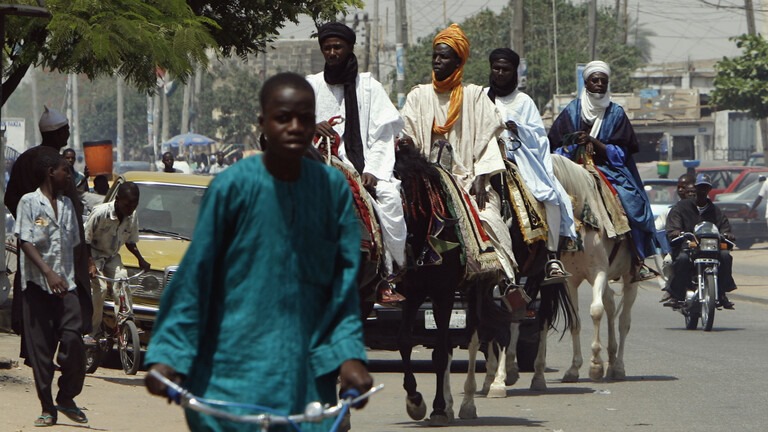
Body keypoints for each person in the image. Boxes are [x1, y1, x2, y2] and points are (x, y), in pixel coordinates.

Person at [144, 72, 373, 432]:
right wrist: (168, 355)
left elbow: (341, 290)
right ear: (262, 123)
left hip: (305, 385)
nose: (295, 127)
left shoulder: (333, 192)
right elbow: (195, 277)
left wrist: (348, 356)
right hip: (229, 382)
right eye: (283, 117)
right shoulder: (232, 188)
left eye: (305, 117)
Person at [399, 23, 516, 281]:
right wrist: (405, 143)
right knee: (397, 219)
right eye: (435, 56)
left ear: (458, 61)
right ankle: (391, 274)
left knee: (489, 219)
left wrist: (482, 179)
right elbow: (406, 131)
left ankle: (503, 281)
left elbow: (488, 141)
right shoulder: (418, 96)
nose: (437, 61)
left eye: (444, 56)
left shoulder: (474, 97)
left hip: (467, 180)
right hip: (426, 182)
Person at [306, 22, 408, 300]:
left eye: (337, 47)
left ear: (349, 48)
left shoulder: (369, 87)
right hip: (317, 162)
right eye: (326, 48)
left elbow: (383, 135)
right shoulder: (311, 85)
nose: (332, 52)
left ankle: (389, 274)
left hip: (360, 167)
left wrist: (373, 171)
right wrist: (311, 126)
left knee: (389, 200)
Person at [548, 60, 658, 282]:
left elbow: (622, 154)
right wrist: (574, 144)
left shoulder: (616, 113)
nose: (598, 84)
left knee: (633, 204)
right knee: (545, 200)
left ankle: (637, 259)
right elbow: (554, 146)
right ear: (586, 83)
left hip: (607, 170)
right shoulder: (571, 111)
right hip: (573, 168)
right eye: (594, 80)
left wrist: (595, 142)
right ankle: (548, 259)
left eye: (603, 81)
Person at [5, 106, 93, 367]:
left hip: (33, 244)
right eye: (65, 129)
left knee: (34, 296)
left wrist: (34, 225)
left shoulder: (27, 158)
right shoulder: (55, 164)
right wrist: (44, 223)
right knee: (62, 297)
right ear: (56, 132)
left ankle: (36, 353)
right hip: (58, 248)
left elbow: (12, 199)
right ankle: (54, 354)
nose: (67, 133)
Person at [485, 47, 577, 283]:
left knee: (551, 197)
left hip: (518, 160)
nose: (500, 73)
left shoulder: (523, 101)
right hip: (484, 161)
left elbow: (539, 137)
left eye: (506, 69)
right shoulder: (480, 97)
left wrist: (518, 129)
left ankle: (551, 256)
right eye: (496, 68)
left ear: (514, 72)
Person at [14, 152, 88, 426]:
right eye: (65, 171)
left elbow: (75, 245)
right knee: (41, 355)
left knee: (74, 342)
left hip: (66, 287)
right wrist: (48, 272)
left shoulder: (69, 205)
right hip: (37, 287)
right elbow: (25, 240)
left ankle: (67, 396)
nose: (69, 176)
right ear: (50, 173)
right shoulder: (29, 203)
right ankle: (48, 408)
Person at [84, 182, 151, 341]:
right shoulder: (100, 213)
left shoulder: (131, 216)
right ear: (118, 199)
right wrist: (91, 264)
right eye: (127, 204)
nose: (131, 209)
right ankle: (92, 331)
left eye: (135, 205)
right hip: (93, 254)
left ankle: (125, 323)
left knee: (122, 280)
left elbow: (130, 241)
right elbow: (85, 240)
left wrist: (141, 260)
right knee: (99, 289)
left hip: (111, 256)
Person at [661, 174, 736, 309]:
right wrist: (676, 232)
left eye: (705, 188)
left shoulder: (715, 210)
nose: (702, 191)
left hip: (711, 249)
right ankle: (676, 295)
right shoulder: (681, 207)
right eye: (700, 187)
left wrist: (727, 234)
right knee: (682, 259)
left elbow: (724, 227)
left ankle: (722, 293)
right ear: (695, 188)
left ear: (709, 190)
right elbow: (673, 225)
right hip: (688, 247)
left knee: (725, 256)